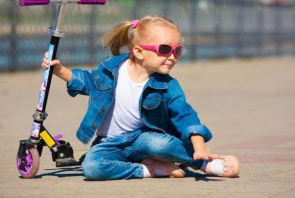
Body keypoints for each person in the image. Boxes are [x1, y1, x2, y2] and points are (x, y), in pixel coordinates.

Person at [42, 15, 240, 180]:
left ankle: (205, 163)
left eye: (177, 51)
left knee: (160, 144)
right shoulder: (110, 71)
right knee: (92, 166)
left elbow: (185, 115)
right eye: (164, 50)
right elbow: (87, 81)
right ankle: (149, 169)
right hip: (108, 143)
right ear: (138, 51)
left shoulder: (167, 85)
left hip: (142, 139)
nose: (172, 56)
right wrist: (59, 70)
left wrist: (200, 147)